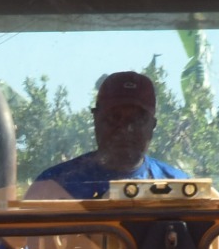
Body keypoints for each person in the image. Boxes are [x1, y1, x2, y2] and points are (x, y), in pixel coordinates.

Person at [23, 71, 188, 199]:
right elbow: (19, 243)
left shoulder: (181, 188)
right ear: (96, 121)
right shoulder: (54, 185)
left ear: (152, 126)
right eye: (114, 118)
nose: (125, 128)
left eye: (137, 120)